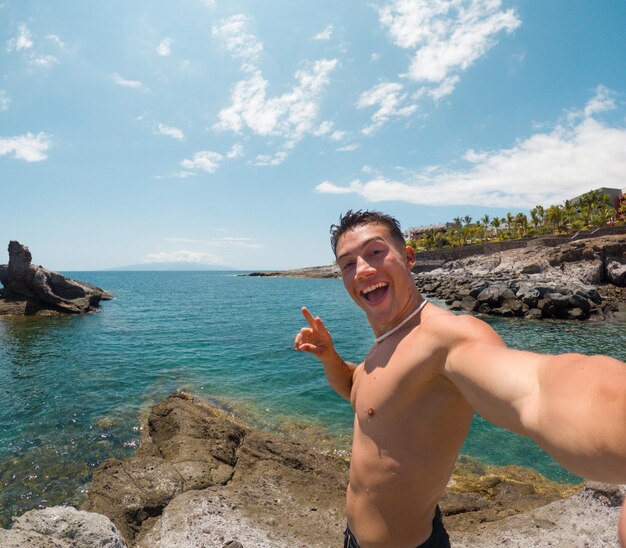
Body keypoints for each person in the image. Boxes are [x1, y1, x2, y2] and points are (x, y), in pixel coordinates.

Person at [294, 210, 626, 548]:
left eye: (375, 252)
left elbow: (538, 390)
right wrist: (329, 356)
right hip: (353, 538)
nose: (362, 269)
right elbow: (358, 389)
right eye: (347, 263)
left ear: (409, 258)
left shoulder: (449, 337)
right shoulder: (388, 342)